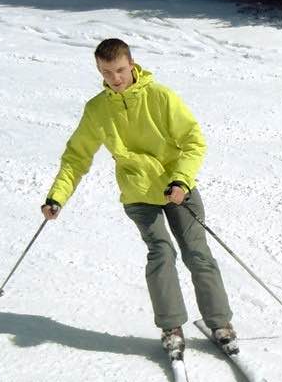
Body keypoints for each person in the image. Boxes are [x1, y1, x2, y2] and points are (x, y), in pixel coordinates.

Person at [42, 38, 235, 357]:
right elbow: (77, 157)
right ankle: (171, 327)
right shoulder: (97, 110)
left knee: (196, 252)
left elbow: (194, 141)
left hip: (177, 189)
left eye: (119, 70)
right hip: (137, 193)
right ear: (99, 70)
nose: (115, 79)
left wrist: (182, 180)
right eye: (107, 72)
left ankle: (220, 323)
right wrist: (56, 197)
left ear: (131, 64)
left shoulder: (160, 96)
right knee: (161, 252)